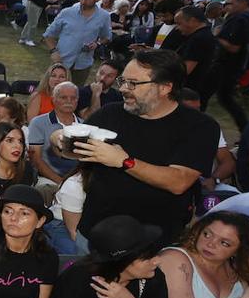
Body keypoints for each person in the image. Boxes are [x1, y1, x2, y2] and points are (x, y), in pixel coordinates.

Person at [51, 50, 218, 245]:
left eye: (133, 83)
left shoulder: (199, 127)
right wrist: (59, 139)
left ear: (165, 88)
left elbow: (179, 181)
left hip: (152, 244)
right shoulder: (110, 113)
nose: (122, 89)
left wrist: (124, 161)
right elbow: (62, 148)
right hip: (96, 235)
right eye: (123, 81)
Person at [43, 0, 112, 87]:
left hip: (83, 64)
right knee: (50, 91)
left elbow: (107, 37)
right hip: (62, 61)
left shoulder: (104, 16)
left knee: (73, 94)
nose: (84, 1)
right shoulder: (67, 12)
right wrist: (53, 51)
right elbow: (48, 35)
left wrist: (97, 43)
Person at [213, 0, 249, 130]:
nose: (226, 6)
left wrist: (217, 36)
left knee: (224, 97)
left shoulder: (240, 19)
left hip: (230, 65)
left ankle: (245, 130)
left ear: (243, 3)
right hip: (241, 66)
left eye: (230, 3)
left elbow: (234, 47)